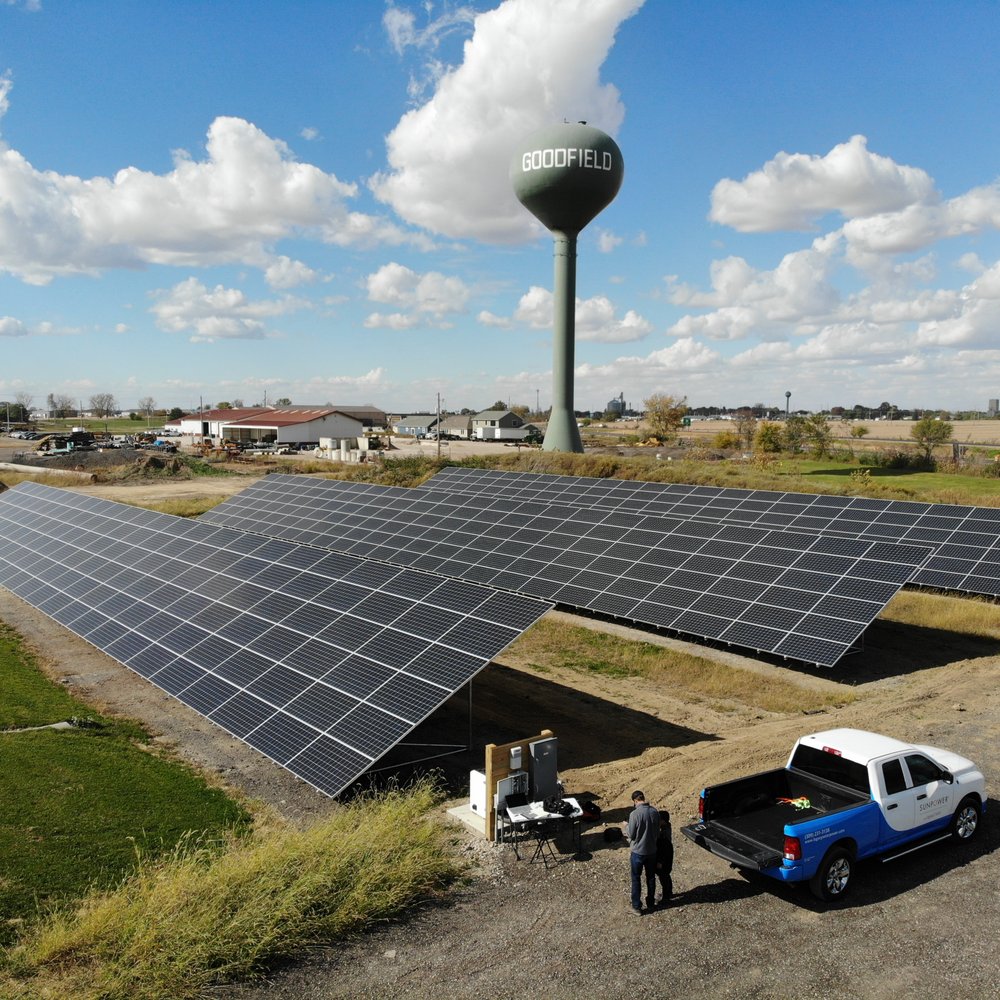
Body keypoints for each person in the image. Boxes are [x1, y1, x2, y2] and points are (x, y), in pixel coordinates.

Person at [623, 790, 659, 915]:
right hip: (652, 851)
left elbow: (631, 834)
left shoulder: (634, 814)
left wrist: (626, 826)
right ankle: (651, 902)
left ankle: (636, 907)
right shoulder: (654, 812)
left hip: (638, 852)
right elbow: (657, 832)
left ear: (635, 801)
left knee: (636, 879)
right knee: (651, 877)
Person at [655, 810, 673, 907]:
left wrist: (660, 861)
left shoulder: (663, 834)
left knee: (663, 876)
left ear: (663, 821)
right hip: (668, 856)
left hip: (664, 858)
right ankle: (669, 893)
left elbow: (664, 849)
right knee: (666, 875)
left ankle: (666, 898)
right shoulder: (667, 827)